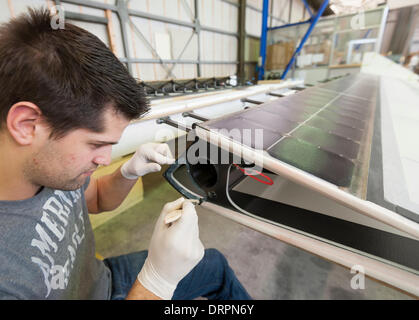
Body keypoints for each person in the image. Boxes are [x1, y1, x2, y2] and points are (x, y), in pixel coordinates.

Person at [0, 8, 251, 300]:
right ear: (27, 125)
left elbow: (94, 198)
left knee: (214, 266)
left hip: (101, 282)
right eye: (96, 144)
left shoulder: (51, 169)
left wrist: (128, 172)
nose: (105, 159)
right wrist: (157, 281)